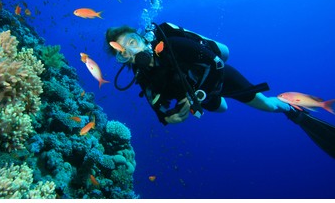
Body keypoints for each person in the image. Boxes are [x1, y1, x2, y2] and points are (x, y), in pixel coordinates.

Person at [105, 22, 335, 157]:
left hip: (219, 77)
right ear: (122, 59)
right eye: (123, 51)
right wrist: (171, 117)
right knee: (222, 109)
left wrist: (200, 93)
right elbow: (159, 109)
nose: (131, 51)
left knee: (266, 105)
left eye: (132, 42)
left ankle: (291, 109)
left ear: (142, 39)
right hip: (200, 93)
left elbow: (217, 63)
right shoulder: (143, 77)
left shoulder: (172, 45)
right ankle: (216, 98)